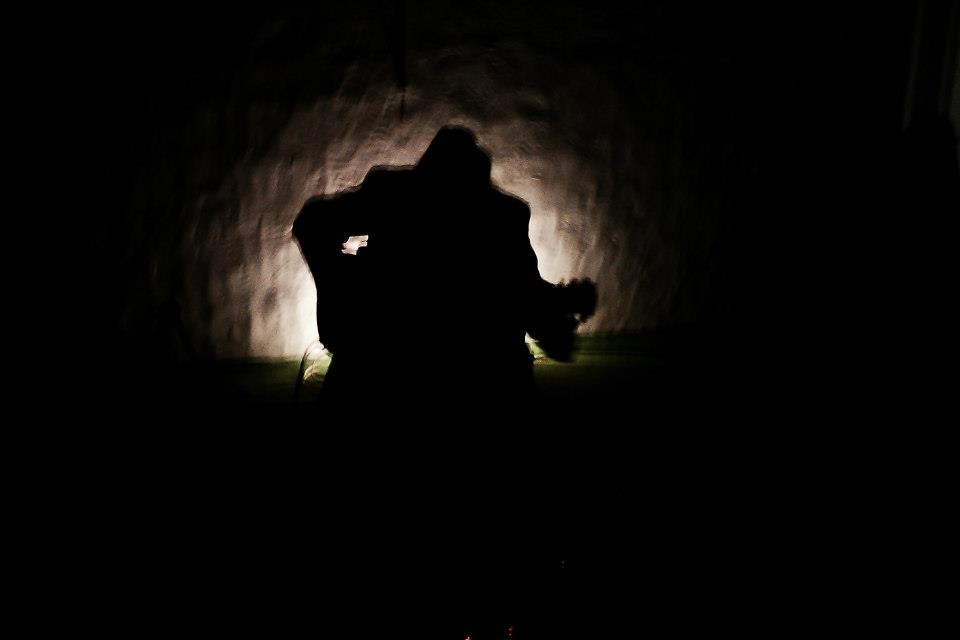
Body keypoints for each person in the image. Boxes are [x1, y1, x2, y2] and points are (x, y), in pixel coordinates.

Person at [293, 126, 594, 413]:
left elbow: (311, 222)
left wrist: (338, 289)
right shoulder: (503, 214)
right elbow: (529, 304)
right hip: (477, 382)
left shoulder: (394, 194)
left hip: (385, 373)